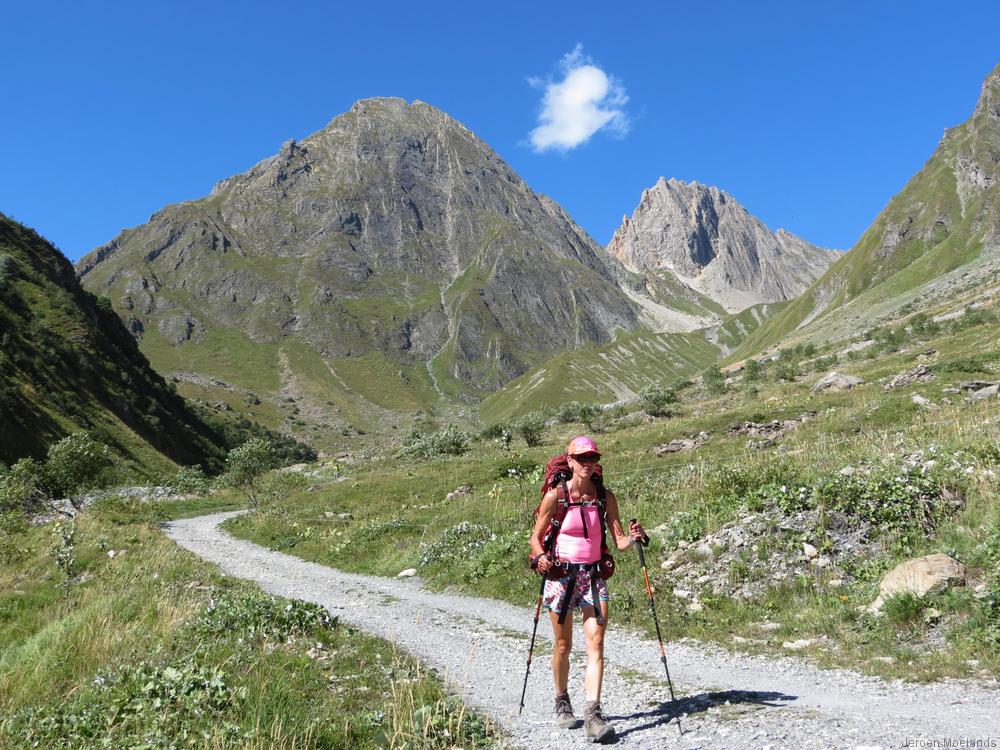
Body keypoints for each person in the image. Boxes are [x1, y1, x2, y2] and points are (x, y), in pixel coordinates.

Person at [529, 436, 646, 743]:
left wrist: (635, 538)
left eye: (592, 458)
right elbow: (535, 537)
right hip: (561, 578)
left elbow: (619, 541)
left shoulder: (605, 497)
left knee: (596, 643)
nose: (587, 463)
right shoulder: (555, 496)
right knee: (563, 646)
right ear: (569, 461)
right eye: (581, 459)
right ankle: (561, 700)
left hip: (593, 578)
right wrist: (541, 557)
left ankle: (593, 715)